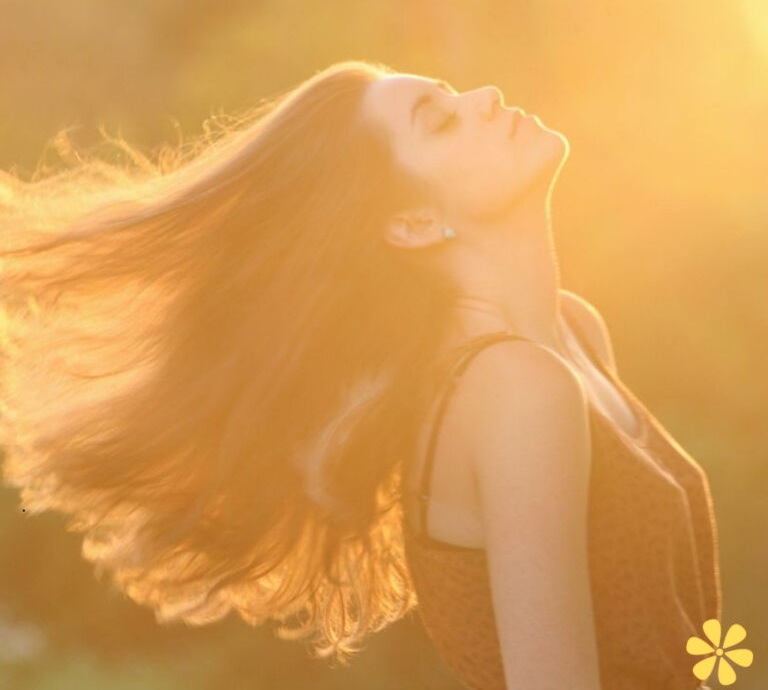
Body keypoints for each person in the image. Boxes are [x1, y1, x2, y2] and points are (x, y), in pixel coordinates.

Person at [0, 59, 720, 689]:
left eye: (453, 93)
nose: (488, 96)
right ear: (410, 223)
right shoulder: (518, 391)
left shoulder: (573, 333)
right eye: (439, 121)